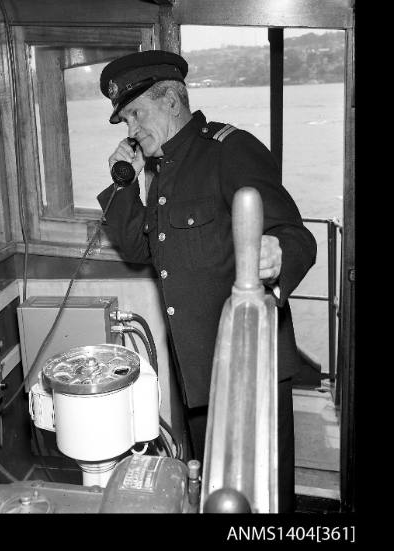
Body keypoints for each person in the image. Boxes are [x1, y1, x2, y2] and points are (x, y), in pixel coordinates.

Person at [97, 50, 317, 512]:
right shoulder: (161, 171)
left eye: (136, 114)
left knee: (260, 499)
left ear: (171, 101)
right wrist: (124, 186)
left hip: (247, 372)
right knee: (212, 494)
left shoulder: (228, 150)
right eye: (125, 120)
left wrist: (277, 257)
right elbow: (140, 250)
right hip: (196, 374)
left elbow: (296, 236)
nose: (131, 129)